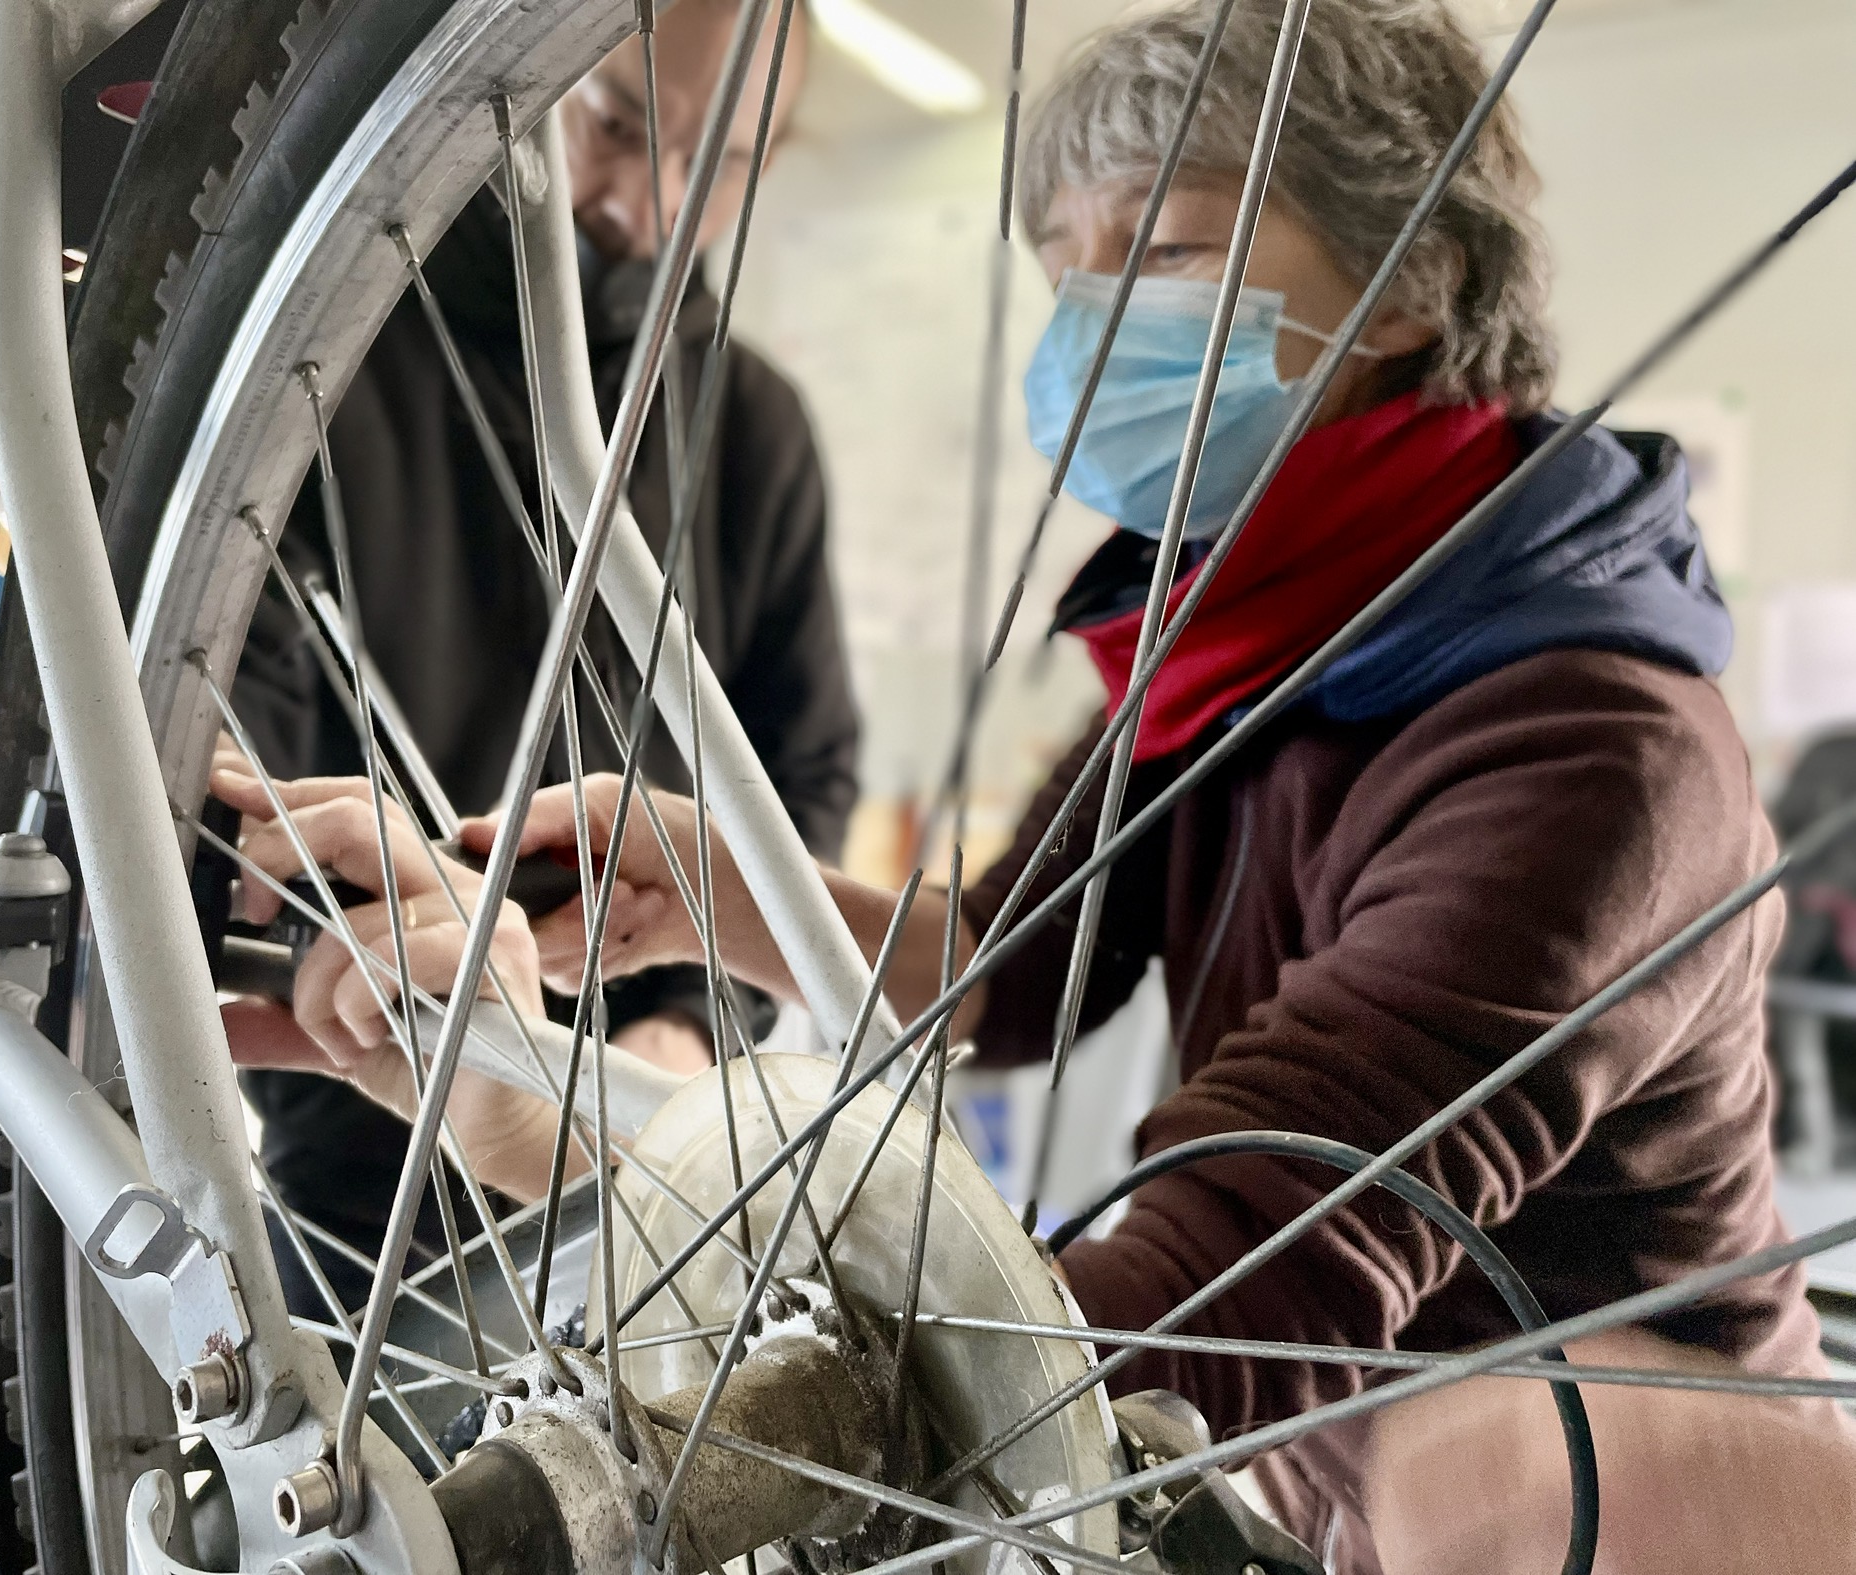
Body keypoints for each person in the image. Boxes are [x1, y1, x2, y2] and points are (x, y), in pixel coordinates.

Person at [213, 0, 1856, 1568]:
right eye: (1067, 270)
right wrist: (724, 895)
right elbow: (1017, 971)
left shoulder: (1587, 749)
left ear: (1410, 280)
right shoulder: (1237, 629)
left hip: (1607, 1510)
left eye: (1170, 251)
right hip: (1355, 1473)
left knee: (1403, 1449)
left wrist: (591, 1151)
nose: (1091, 322)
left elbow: (1246, 1260)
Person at [226, 0, 853, 1298]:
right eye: (621, 125)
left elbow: (802, 789)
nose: (652, 203)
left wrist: (688, 1035)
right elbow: (223, 768)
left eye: (722, 163)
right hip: (366, 1172)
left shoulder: (759, 434)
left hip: (658, 1154)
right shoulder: (304, 377)